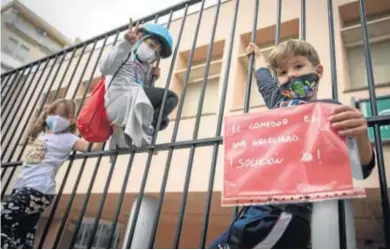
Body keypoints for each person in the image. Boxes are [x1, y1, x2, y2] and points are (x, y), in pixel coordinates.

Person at [209, 39, 376, 249]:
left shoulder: (331, 110)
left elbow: (361, 169)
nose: (291, 75)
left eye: (298, 66)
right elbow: (263, 80)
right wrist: (257, 55)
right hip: (254, 210)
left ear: (318, 70)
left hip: (284, 214)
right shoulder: (279, 103)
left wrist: (360, 135)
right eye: (282, 72)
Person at [0, 99, 103, 249]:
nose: (55, 117)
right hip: (24, 189)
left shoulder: (68, 138)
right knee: (22, 235)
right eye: (53, 113)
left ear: (71, 120)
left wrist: (105, 128)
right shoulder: (42, 135)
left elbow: (92, 147)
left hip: (37, 190)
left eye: (61, 115)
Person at [99, 21, 178, 149]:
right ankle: (140, 132)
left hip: (132, 101)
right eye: (151, 45)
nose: (153, 52)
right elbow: (104, 68)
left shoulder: (145, 66)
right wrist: (125, 44)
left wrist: (152, 79)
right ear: (140, 37)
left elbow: (143, 91)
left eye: (156, 52)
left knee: (164, 121)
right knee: (171, 98)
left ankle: (125, 135)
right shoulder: (126, 51)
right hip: (119, 100)